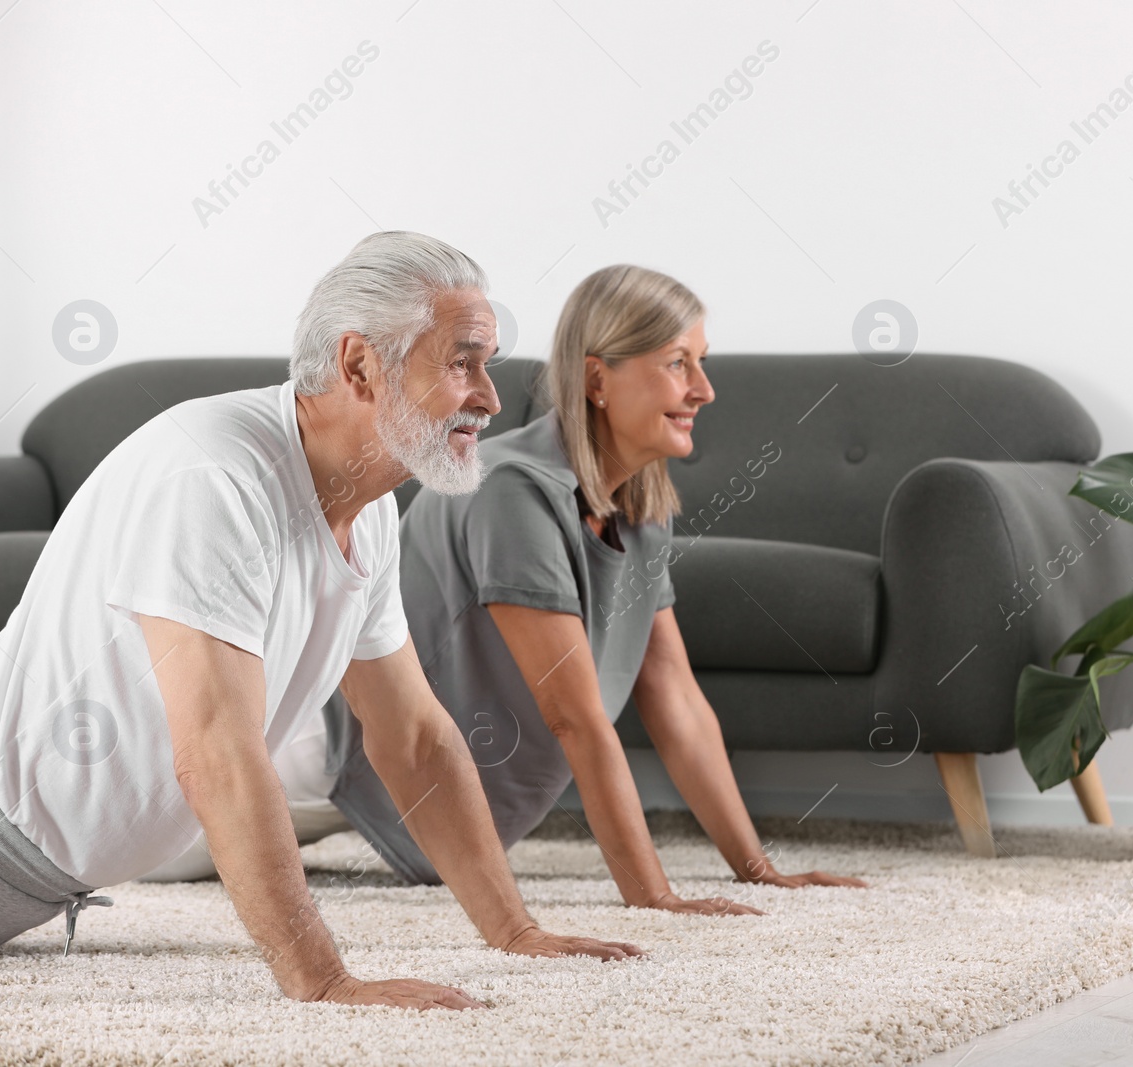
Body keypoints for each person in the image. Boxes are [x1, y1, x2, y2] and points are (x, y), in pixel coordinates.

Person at [0, 232, 642, 1011]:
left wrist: (514, 930)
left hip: (4, 875)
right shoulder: (214, 477)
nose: (489, 394)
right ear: (359, 365)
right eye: (462, 361)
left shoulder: (369, 506)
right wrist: (322, 979)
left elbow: (413, 737)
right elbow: (216, 751)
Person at [317, 264, 866, 911]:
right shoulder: (510, 490)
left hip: (411, 797)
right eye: (677, 364)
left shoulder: (639, 510)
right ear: (598, 379)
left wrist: (757, 868)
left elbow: (675, 700)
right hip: (316, 765)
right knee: (176, 830)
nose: (705, 390)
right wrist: (654, 897)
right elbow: (573, 716)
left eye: (701, 362)